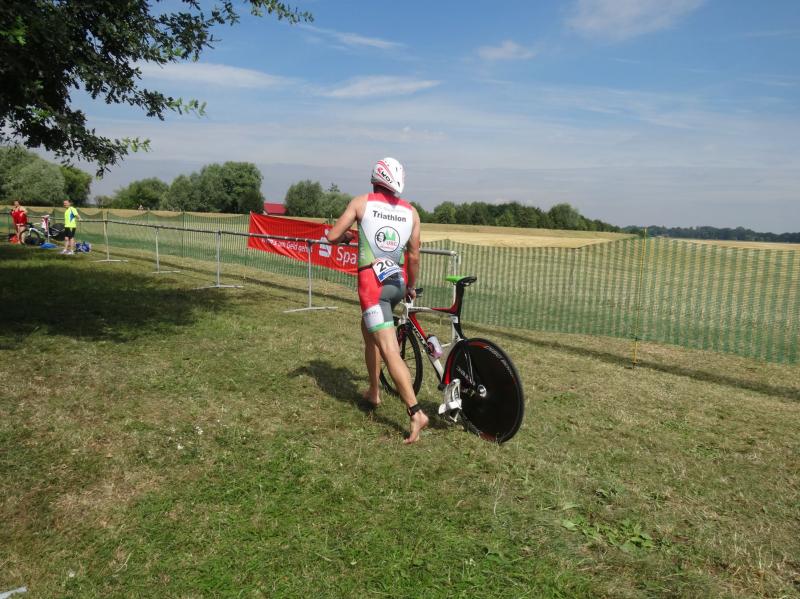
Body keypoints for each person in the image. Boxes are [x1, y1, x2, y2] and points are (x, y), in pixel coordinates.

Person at [326, 157, 428, 444]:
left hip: (372, 287)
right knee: (368, 332)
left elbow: (332, 236)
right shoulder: (411, 212)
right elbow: (414, 256)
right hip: (396, 284)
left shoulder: (361, 203)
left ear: (375, 180)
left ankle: (416, 412)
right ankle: (373, 390)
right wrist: (411, 286)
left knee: (389, 348)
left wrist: (347, 237)